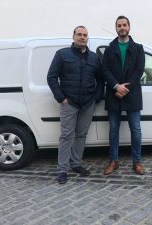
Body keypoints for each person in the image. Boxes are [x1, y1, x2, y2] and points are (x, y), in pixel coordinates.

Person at [47, 26, 104, 184]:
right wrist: (61, 98)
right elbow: (51, 77)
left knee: (81, 135)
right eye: (79, 34)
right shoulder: (62, 55)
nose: (82, 37)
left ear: (87, 38)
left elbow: (101, 80)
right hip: (69, 102)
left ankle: (76, 164)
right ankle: (62, 170)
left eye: (85, 35)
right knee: (66, 136)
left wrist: (97, 97)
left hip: (87, 103)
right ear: (73, 36)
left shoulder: (94, 58)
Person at [102, 16, 145, 175]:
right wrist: (116, 86)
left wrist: (125, 88)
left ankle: (137, 162)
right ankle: (113, 161)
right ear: (116, 28)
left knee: (136, 129)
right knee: (113, 129)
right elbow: (105, 69)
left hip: (132, 94)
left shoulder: (138, 48)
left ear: (129, 27)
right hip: (113, 94)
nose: (122, 27)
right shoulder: (109, 49)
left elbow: (139, 70)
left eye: (124, 25)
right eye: (119, 25)